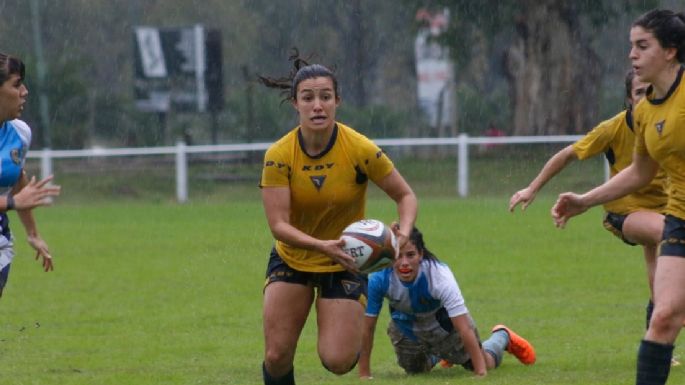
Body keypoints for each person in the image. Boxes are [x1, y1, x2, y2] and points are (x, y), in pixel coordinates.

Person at [258, 51, 418, 385]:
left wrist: (402, 232)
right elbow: (279, 226)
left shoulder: (359, 148)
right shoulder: (279, 155)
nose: (317, 105)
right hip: (294, 258)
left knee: (339, 360)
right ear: (295, 104)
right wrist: (321, 245)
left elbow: (405, 196)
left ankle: (344, 326)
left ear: (337, 101)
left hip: (346, 262)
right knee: (276, 356)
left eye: (325, 97)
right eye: (308, 98)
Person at [551, 9, 685, 385]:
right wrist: (585, 201)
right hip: (679, 216)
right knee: (663, 317)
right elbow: (640, 172)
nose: (632, 55)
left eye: (642, 46)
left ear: (670, 52)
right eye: (631, 46)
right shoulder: (644, 112)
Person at [510, 69, 667, 331]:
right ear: (628, 99)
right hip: (624, 212)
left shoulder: (667, 124)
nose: (647, 97)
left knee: (656, 263)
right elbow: (567, 155)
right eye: (640, 92)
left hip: (664, 207)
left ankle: (659, 336)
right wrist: (532, 188)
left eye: (651, 91)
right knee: (668, 233)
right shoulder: (612, 129)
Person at [359, 226, 535, 379]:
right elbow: (368, 327)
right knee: (416, 372)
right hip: (407, 329)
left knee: (485, 363)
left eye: (411, 255)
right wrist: (364, 373)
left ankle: (502, 336)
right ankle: (443, 355)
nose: (404, 263)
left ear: (421, 254)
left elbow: (463, 327)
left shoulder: (439, 276)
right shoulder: (379, 278)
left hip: (444, 327)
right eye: (398, 256)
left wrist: (481, 373)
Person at [0, 52, 61, 298]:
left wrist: (33, 234)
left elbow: (17, 180)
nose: (24, 91)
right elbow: (17, 198)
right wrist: (13, 203)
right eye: (16, 84)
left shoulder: (20, 134)